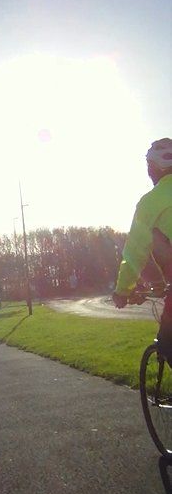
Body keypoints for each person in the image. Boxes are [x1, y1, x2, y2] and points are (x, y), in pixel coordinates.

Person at [112, 137, 172, 360]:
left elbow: (135, 253)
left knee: (167, 344)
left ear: (153, 168)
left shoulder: (150, 202)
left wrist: (122, 291)